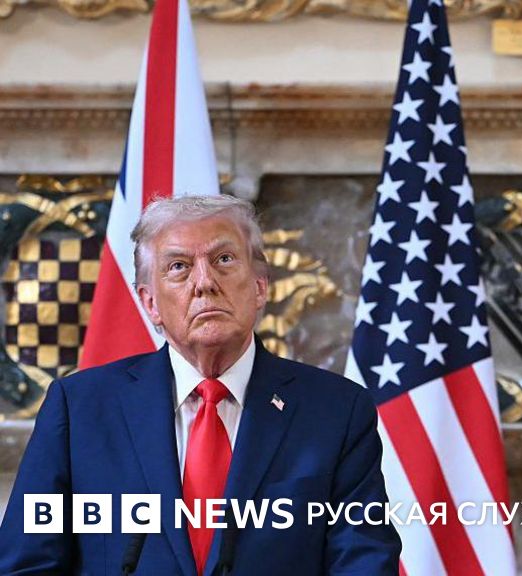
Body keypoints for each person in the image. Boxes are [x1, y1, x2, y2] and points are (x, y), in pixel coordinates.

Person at [0, 195, 401, 575]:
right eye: (179, 266)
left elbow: (363, 562)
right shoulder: (80, 408)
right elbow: (26, 564)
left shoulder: (336, 411)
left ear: (260, 287)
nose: (205, 282)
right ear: (151, 303)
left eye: (224, 259)